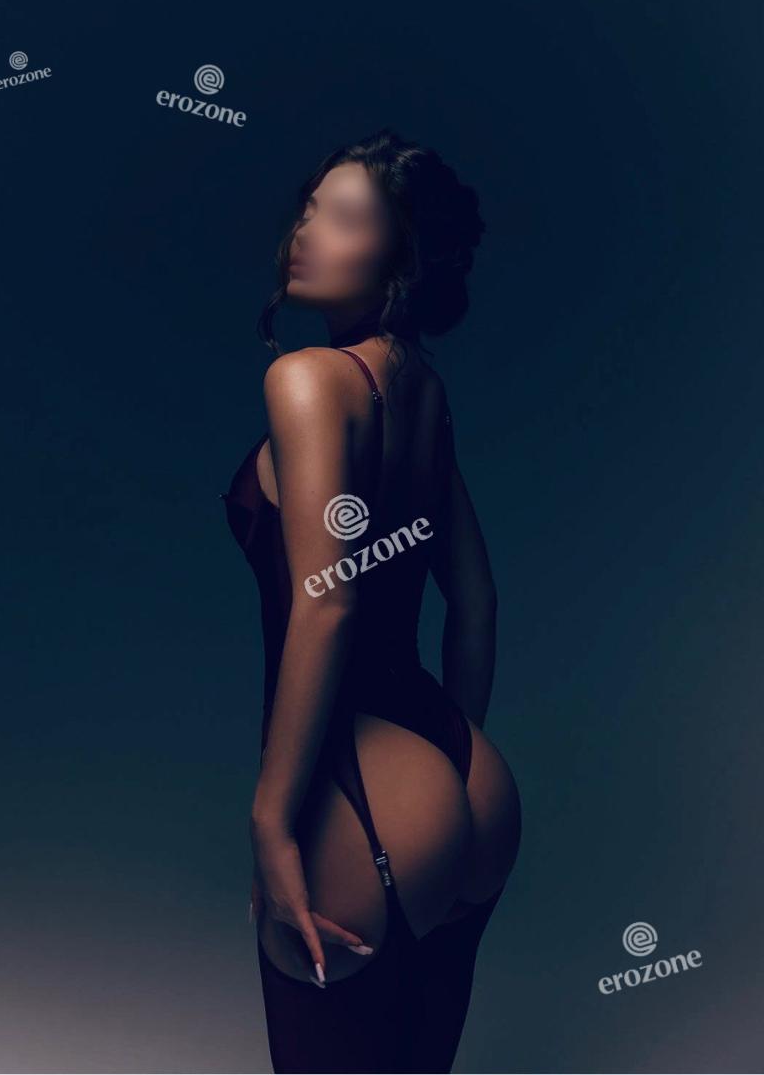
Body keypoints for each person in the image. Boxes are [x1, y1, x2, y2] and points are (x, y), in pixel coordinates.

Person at [222, 127, 521, 1073]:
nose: (306, 232)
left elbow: (328, 603)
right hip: (464, 770)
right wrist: (445, 778)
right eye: (311, 208)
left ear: (401, 259)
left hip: (355, 779)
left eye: (346, 219)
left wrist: (272, 821)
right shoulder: (421, 388)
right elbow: (476, 599)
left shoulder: (307, 379)